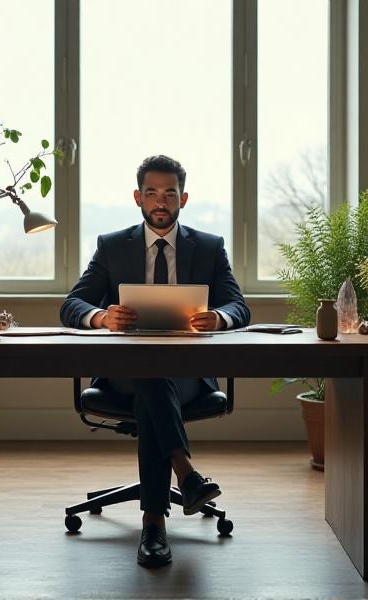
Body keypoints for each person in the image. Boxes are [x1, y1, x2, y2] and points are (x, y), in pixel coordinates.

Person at [60, 154, 250, 567]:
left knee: (153, 379)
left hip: (188, 375)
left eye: (169, 193)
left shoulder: (209, 247)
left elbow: (239, 306)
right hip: (122, 375)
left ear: (184, 198)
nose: (160, 202)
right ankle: (184, 474)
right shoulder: (112, 247)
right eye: (151, 193)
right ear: (137, 198)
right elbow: (71, 304)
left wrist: (219, 317)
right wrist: (100, 317)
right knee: (147, 369)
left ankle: (154, 524)